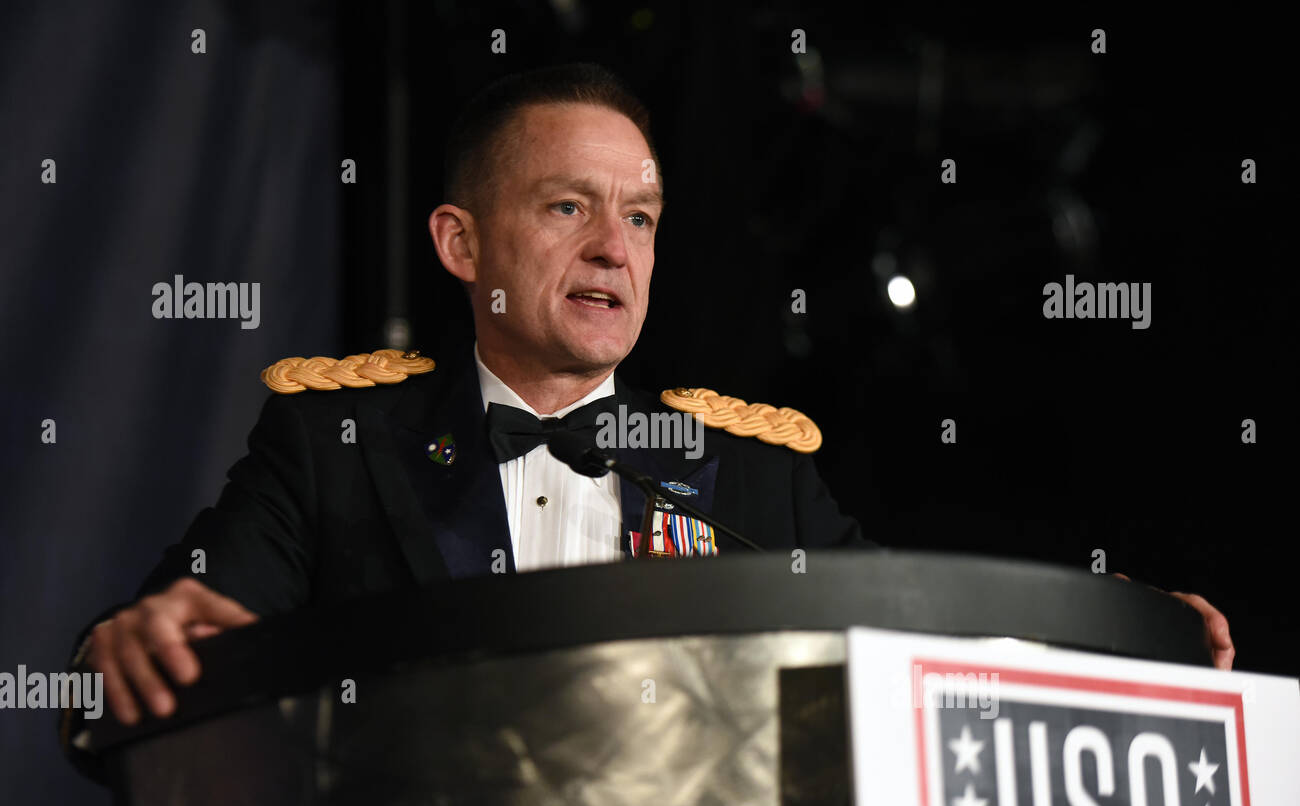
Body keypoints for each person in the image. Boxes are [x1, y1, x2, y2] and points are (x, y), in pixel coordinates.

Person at [64, 63, 1233, 744]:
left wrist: (1099, 641)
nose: (614, 249)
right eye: (568, 208)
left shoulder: (751, 465)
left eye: (640, 216)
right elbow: (149, 652)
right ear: (461, 244)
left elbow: (920, 636)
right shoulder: (334, 446)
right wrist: (134, 649)